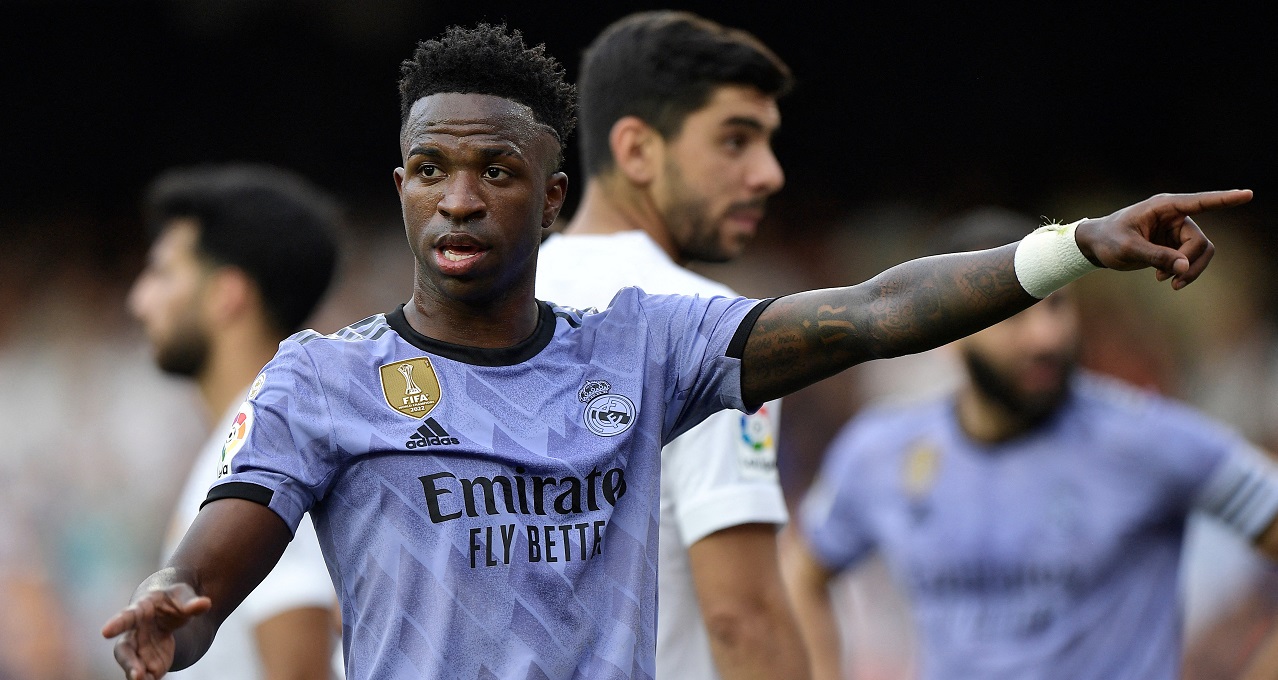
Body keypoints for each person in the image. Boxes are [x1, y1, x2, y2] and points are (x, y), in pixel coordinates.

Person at [102, 21, 1251, 680]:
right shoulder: (326, 377)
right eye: (431, 170)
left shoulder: (649, 346)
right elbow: (220, 554)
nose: (459, 199)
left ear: (552, 196)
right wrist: (177, 603)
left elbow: (872, 312)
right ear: (399, 186)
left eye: (496, 173)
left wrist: (1071, 247)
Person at [780, 211, 1278, 680]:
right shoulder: (881, 452)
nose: (1045, 336)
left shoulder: (1150, 439)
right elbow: (800, 573)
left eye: (1057, 304)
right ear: (947, 330)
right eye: (1013, 314)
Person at [534, 11, 805, 680]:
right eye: (735, 140)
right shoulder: (715, 328)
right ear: (637, 151)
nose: (769, 173)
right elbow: (743, 617)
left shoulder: (477, 310)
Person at [126, 163, 342, 680]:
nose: (138, 301)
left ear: (228, 293)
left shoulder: (273, 453)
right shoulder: (240, 440)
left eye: (163, 272)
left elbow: (298, 670)